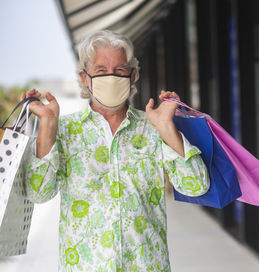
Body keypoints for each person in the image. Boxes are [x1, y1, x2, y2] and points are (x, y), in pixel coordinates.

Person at [22, 30, 210, 272]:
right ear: (84, 77)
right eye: (100, 71)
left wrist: (167, 127)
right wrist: (47, 125)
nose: (111, 77)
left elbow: (196, 186)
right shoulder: (64, 130)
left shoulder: (152, 128)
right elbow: (38, 193)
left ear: (132, 76)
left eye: (120, 70)